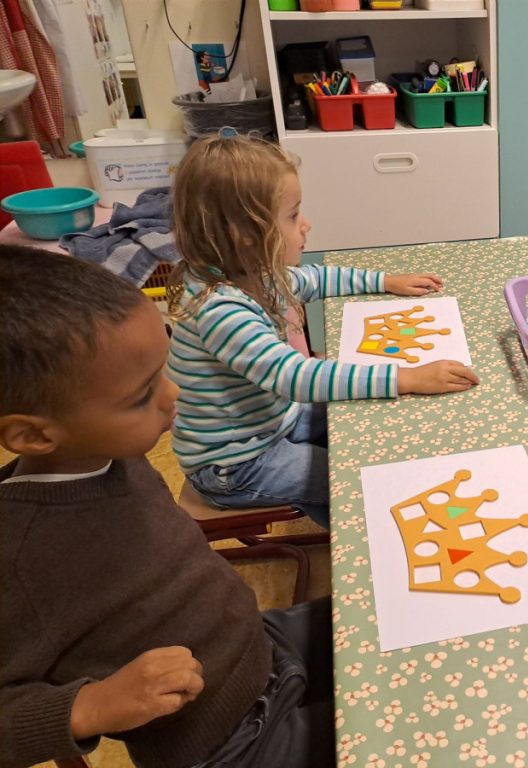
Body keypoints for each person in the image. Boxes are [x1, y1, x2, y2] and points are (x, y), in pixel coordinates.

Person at [0, 245, 334, 768]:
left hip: (263, 649)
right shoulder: (19, 558)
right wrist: (88, 708)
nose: (174, 393)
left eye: (164, 368)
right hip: (228, 745)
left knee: (414, 632)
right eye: (142, 395)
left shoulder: (115, 455)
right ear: (32, 435)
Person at [168, 135, 478, 529]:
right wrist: (407, 377)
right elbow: (296, 377)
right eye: (292, 215)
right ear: (245, 233)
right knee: (357, 479)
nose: (306, 224)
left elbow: (314, 279)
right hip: (236, 464)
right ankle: (362, 542)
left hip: (271, 420)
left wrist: (385, 280)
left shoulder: (251, 273)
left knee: (369, 427)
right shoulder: (220, 309)